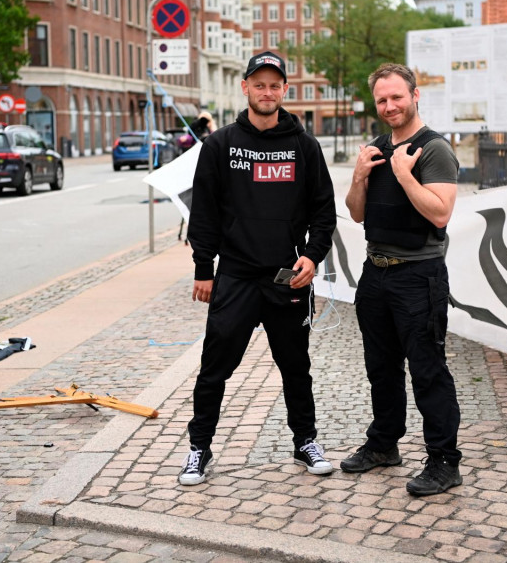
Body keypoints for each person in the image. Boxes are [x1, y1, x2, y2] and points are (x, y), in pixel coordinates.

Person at [179, 51, 337, 486]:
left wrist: (312, 255)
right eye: (259, 84)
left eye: (274, 85)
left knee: (295, 365)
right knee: (215, 367)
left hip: (286, 275)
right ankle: (198, 448)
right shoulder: (220, 144)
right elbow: (204, 213)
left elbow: (324, 213)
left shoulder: (304, 147)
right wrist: (203, 268)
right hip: (235, 275)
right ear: (245, 88)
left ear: (284, 90)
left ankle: (305, 441)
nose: (267, 92)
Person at [341, 62, 463, 497]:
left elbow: (440, 212)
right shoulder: (375, 148)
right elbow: (357, 213)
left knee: (428, 370)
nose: (389, 105)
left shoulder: (434, 150)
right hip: (375, 273)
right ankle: (383, 445)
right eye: (382, 100)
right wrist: (359, 175)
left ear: (415, 95)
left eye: (397, 96)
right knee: (381, 367)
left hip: (419, 275)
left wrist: (404, 173)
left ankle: (444, 462)